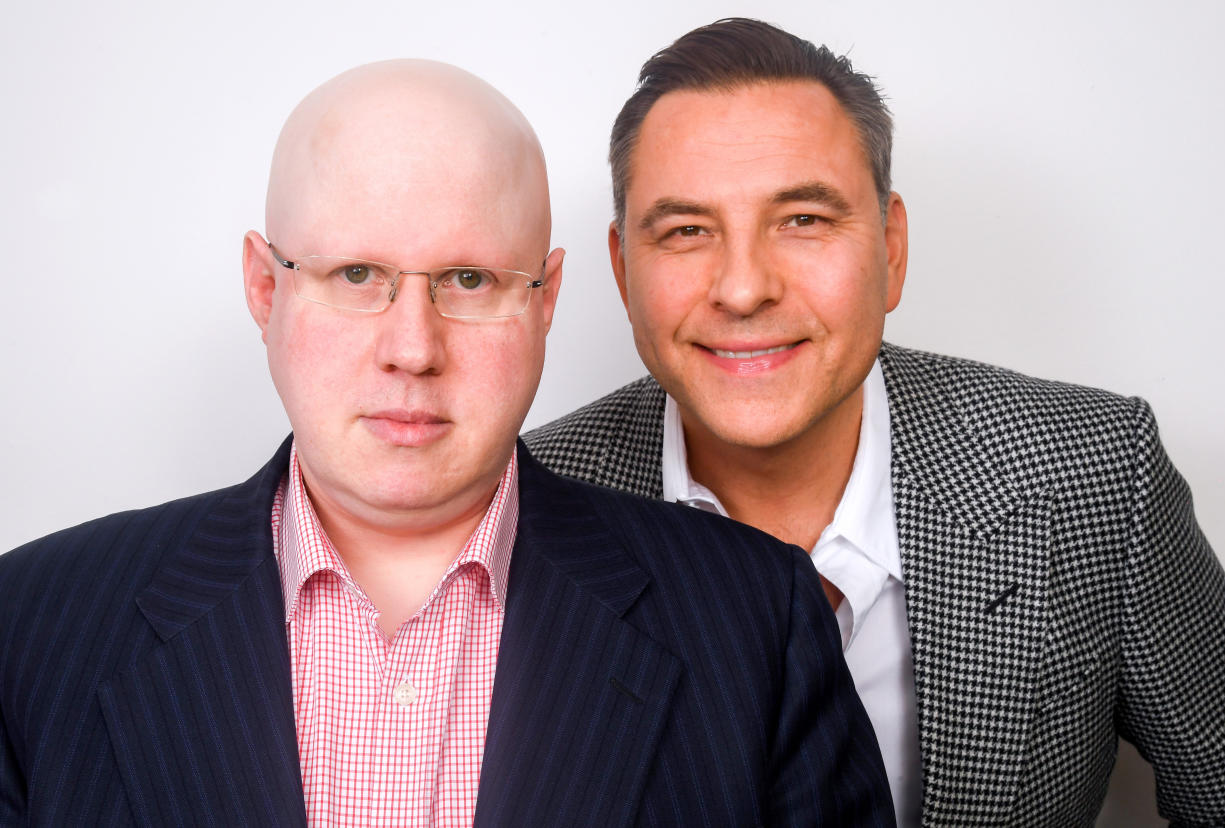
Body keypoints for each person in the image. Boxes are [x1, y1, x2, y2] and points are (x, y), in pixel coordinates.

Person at [0, 60, 897, 826]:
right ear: (265, 292)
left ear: (545, 301)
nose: (413, 348)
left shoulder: (755, 620)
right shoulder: (30, 625)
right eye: (358, 275)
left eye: (470, 279)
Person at [524, 18, 1225, 827]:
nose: (743, 288)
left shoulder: (1096, 474)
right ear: (623, 272)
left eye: (803, 220)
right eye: (687, 231)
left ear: (891, 250)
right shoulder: (523, 506)